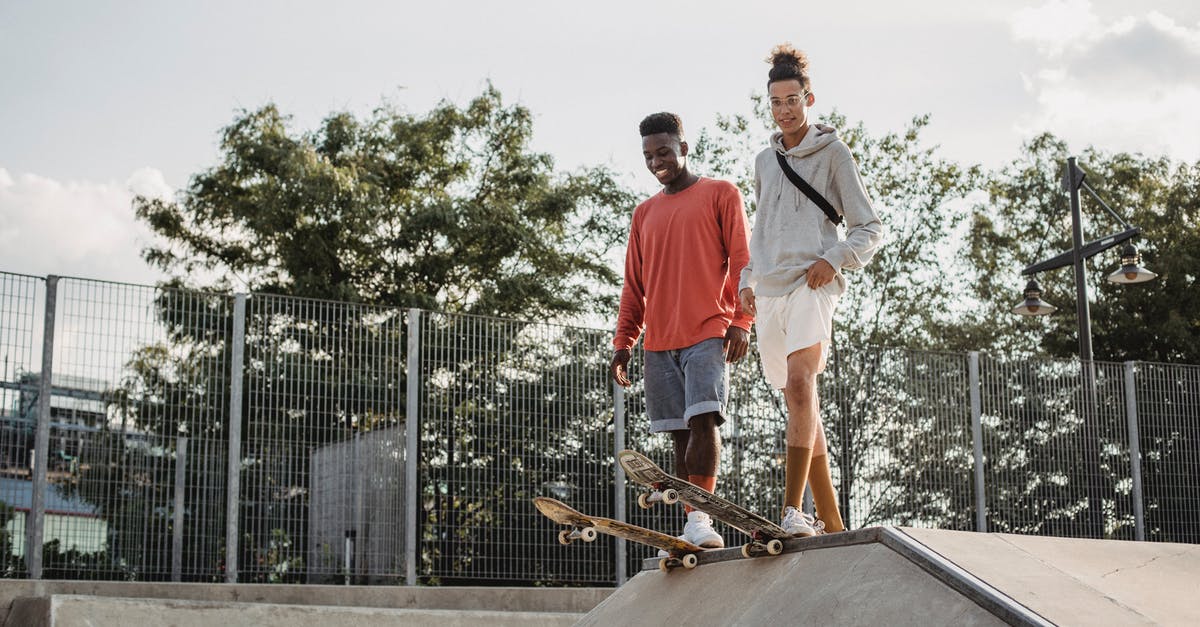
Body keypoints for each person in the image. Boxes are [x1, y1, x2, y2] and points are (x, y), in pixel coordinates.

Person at [738, 44, 884, 536]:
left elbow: (869, 227)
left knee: (802, 386)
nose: (784, 110)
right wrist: (746, 280)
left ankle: (791, 510)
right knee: (800, 403)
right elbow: (760, 230)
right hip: (770, 289)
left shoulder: (833, 153)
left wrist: (833, 258)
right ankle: (834, 522)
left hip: (811, 285)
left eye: (792, 100)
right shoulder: (763, 161)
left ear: (809, 98)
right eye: (776, 102)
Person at [611, 112, 754, 549]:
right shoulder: (645, 213)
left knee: (704, 419)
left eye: (665, 152)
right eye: (649, 156)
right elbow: (634, 285)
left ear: (684, 148)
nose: (657, 162)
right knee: (679, 430)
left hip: (708, 331)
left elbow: (744, 263)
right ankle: (693, 519)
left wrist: (741, 321)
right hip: (659, 342)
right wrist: (623, 344)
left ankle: (703, 519)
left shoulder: (720, 193)